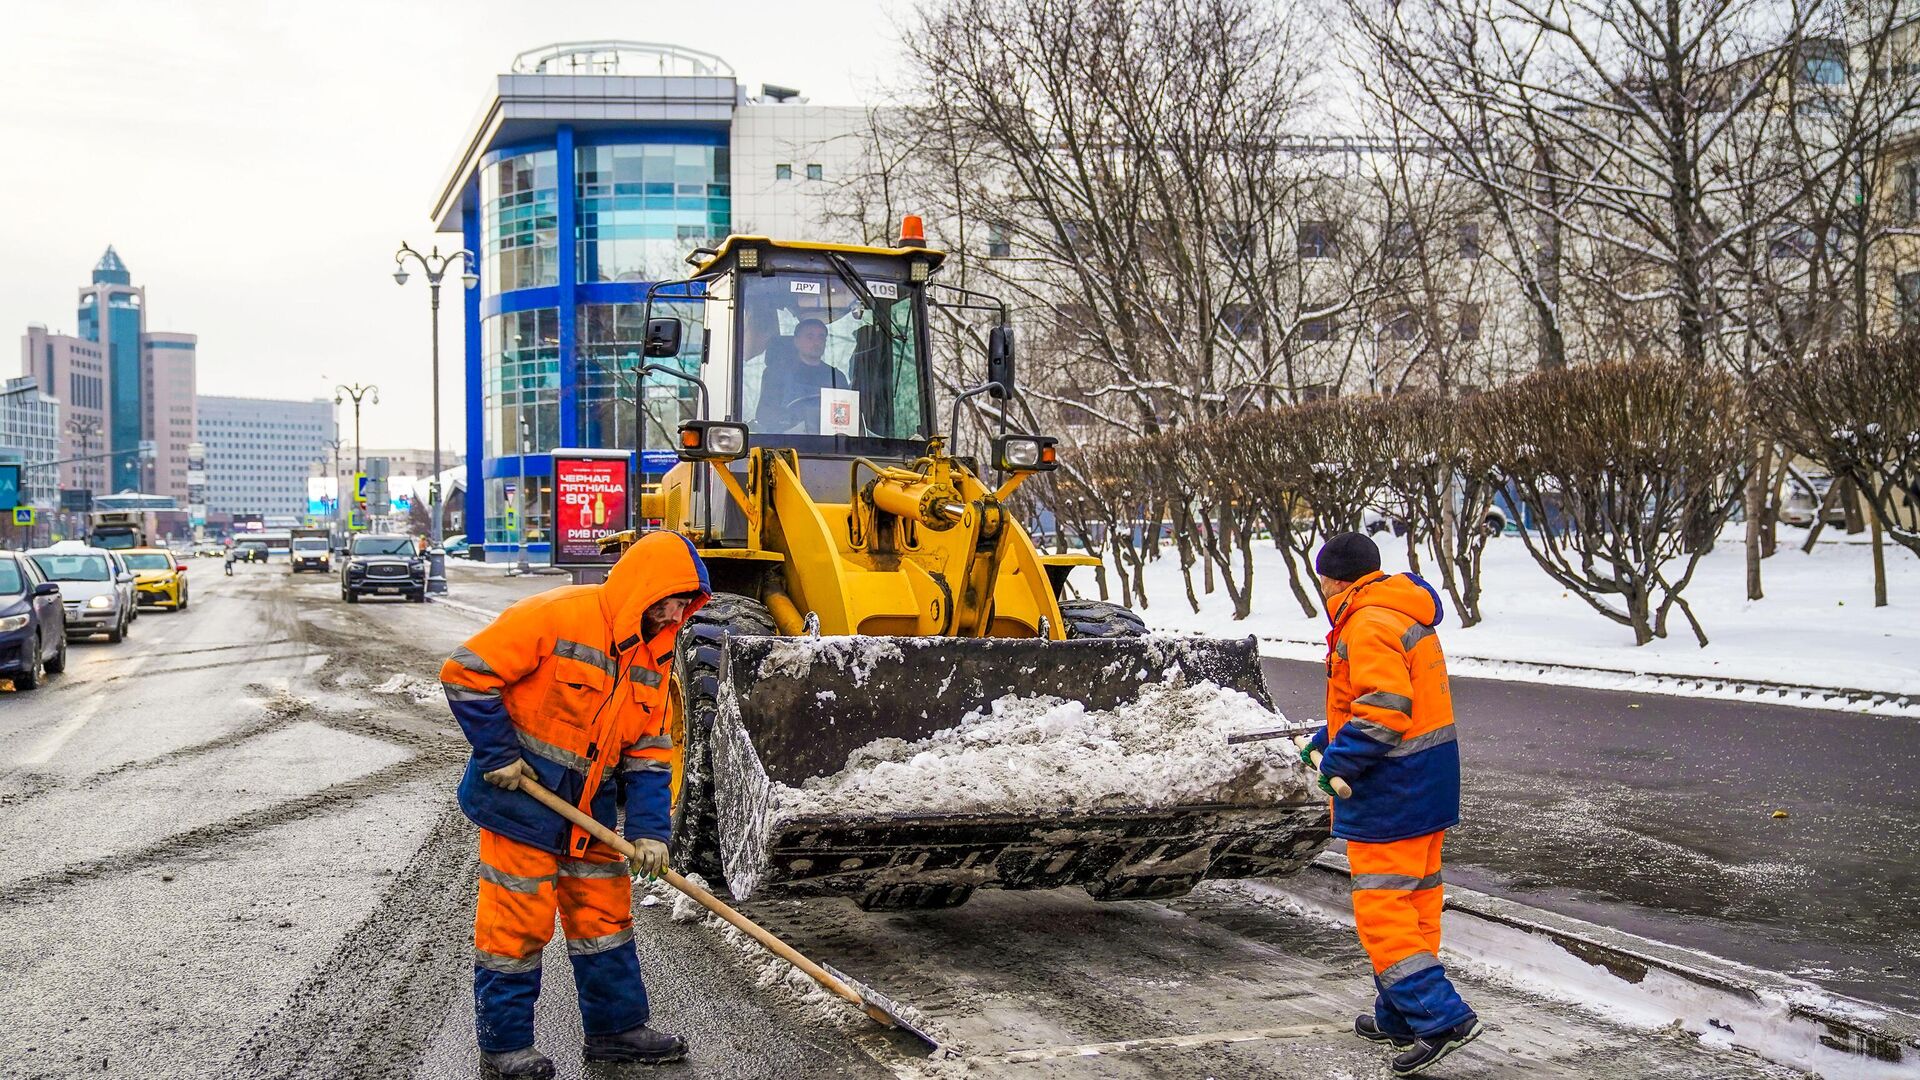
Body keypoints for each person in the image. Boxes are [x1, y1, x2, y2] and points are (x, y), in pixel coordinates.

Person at [439, 531, 711, 1078]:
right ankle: (506, 1043)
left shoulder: (655, 656)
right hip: (521, 804)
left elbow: (650, 753)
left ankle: (616, 1030)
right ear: (645, 587)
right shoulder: (557, 615)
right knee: (517, 922)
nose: (679, 613)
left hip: (590, 815)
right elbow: (466, 673)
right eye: (674, 598)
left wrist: (651, 833)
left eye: (688, 602)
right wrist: (498, 753)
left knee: (604, 918)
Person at [1300, 531, 1479, 1077]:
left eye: (1322, 580)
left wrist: (1337, 766)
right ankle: (1401, 1013)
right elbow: (1384, 703)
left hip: (1391, 789)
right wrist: (1328, 738)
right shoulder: (1398, 610)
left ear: (1333, 579)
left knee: (1382, 911)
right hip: (1427, 781)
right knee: (1416, 902)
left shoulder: (1366, 622)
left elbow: (1382, 713)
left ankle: (1439, 1017)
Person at [754, 317, 848, 433]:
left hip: (828, 444)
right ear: (796, 341)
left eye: (821, 337)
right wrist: (791, 419)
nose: (816, 342)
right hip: (786, 443)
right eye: (810, 337)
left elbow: (846, 416)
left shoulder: (836, 377)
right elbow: (764, 415)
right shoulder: (776, 374)